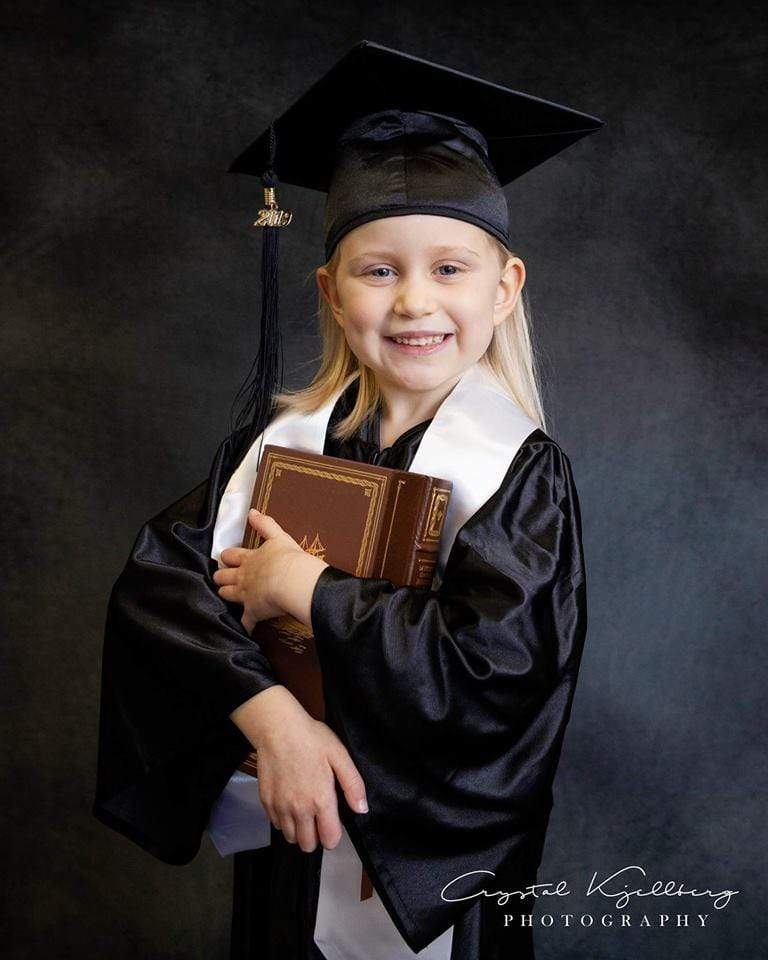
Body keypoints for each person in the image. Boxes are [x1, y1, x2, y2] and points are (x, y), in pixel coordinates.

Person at [92, 40, 603, 960]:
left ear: (504, 288)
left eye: (450, 268)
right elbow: (156, 592)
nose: (414, 302)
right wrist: (270, 717)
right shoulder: (277, 450)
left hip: (429, 875)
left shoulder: (519, 474)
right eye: (379, 271)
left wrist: (309, 590)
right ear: (331, 293)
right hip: (294, 839)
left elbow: (497, 677)